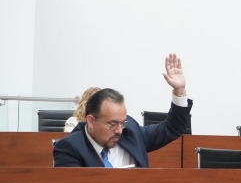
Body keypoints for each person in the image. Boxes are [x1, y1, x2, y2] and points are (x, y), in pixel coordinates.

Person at [53, 54, 192, 168]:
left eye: (122, 123)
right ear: (91, 121)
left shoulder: (131, 132)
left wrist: (179, 90)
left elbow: (172, 128)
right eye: (112, 124)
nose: (119, 130)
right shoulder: (70, 148)